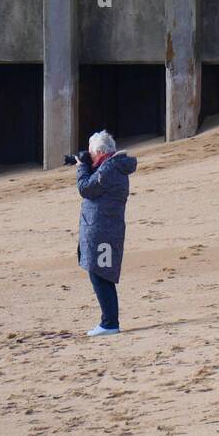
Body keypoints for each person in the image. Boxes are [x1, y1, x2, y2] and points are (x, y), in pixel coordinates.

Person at [75, 129, 138, 336]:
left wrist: (82, 166)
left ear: (101, 152)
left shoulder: (109, 169)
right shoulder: (111, 168)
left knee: (101, 275)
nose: (89, 157)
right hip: (104, 230)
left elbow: (86, 188)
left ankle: (110, 323)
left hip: (104, 231)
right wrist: (87, 164)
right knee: (101, 274)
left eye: (91, 154)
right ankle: (108, 321)